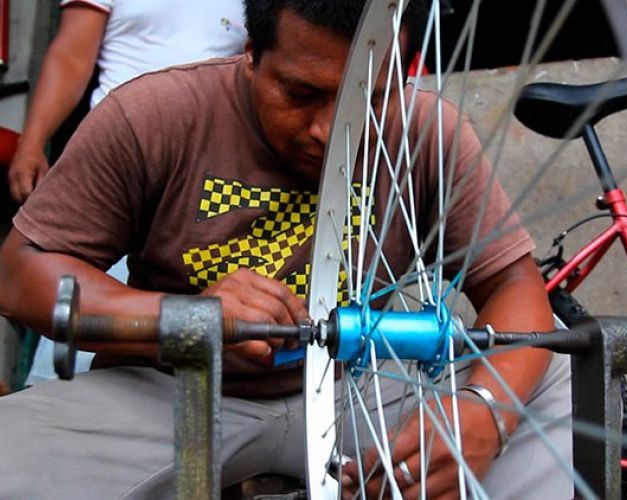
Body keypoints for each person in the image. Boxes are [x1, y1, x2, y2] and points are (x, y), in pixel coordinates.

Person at [0, 1, 572, 498]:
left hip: (364, 389)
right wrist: (186, 317)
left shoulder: (428, 131)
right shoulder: (153, 114)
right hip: (173, 391)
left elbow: (516, 289)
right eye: (302, 94)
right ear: (251, 53)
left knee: (552, 382)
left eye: (367, 98)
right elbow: (20, 274)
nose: (329, 129)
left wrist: (482, 412)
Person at [7, 0, 247, 383]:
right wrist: (33, 141)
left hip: (198, 172)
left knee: (187, 329)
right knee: (73, 307)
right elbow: (71, 54)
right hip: (118, 161)